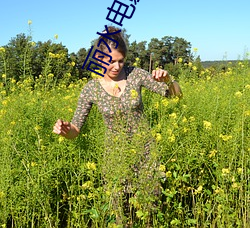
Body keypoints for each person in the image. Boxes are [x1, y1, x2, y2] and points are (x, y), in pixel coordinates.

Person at [53, 26, 182, 225]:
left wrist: (169, 80)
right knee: (120, 214)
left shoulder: (135, 75)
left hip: (146, 153)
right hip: (115, 158)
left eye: (120, 60)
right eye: (110, 61)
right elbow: (76, 128)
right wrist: (65, 130)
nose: (116, 66)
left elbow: (175, 96)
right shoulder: (91, 89)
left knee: (150, 212)